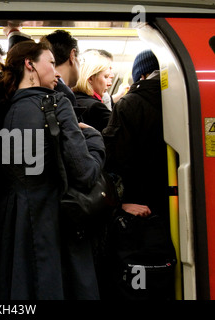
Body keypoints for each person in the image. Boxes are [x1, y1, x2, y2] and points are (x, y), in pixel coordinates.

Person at [0, 41, 106, 300]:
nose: (57, 71)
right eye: (50, 62)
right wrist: (94, 140)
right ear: (30, 64)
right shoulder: (57, 104)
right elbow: (84, 172)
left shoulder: (7, 110)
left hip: (17, 223)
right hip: (57, 226)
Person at [102, 49, 176, 300]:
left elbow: (114, 161)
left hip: (139, 212)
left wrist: (119, 203)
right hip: (179, 207)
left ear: (140, 75)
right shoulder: (186, 98)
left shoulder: (129, 104)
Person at [72, 50, 113, 132]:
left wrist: (39, 145)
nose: (109, 84)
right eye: (105, 76)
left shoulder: (69, 99)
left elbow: (39, 138)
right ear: (91, 78)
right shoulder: (96, 108)